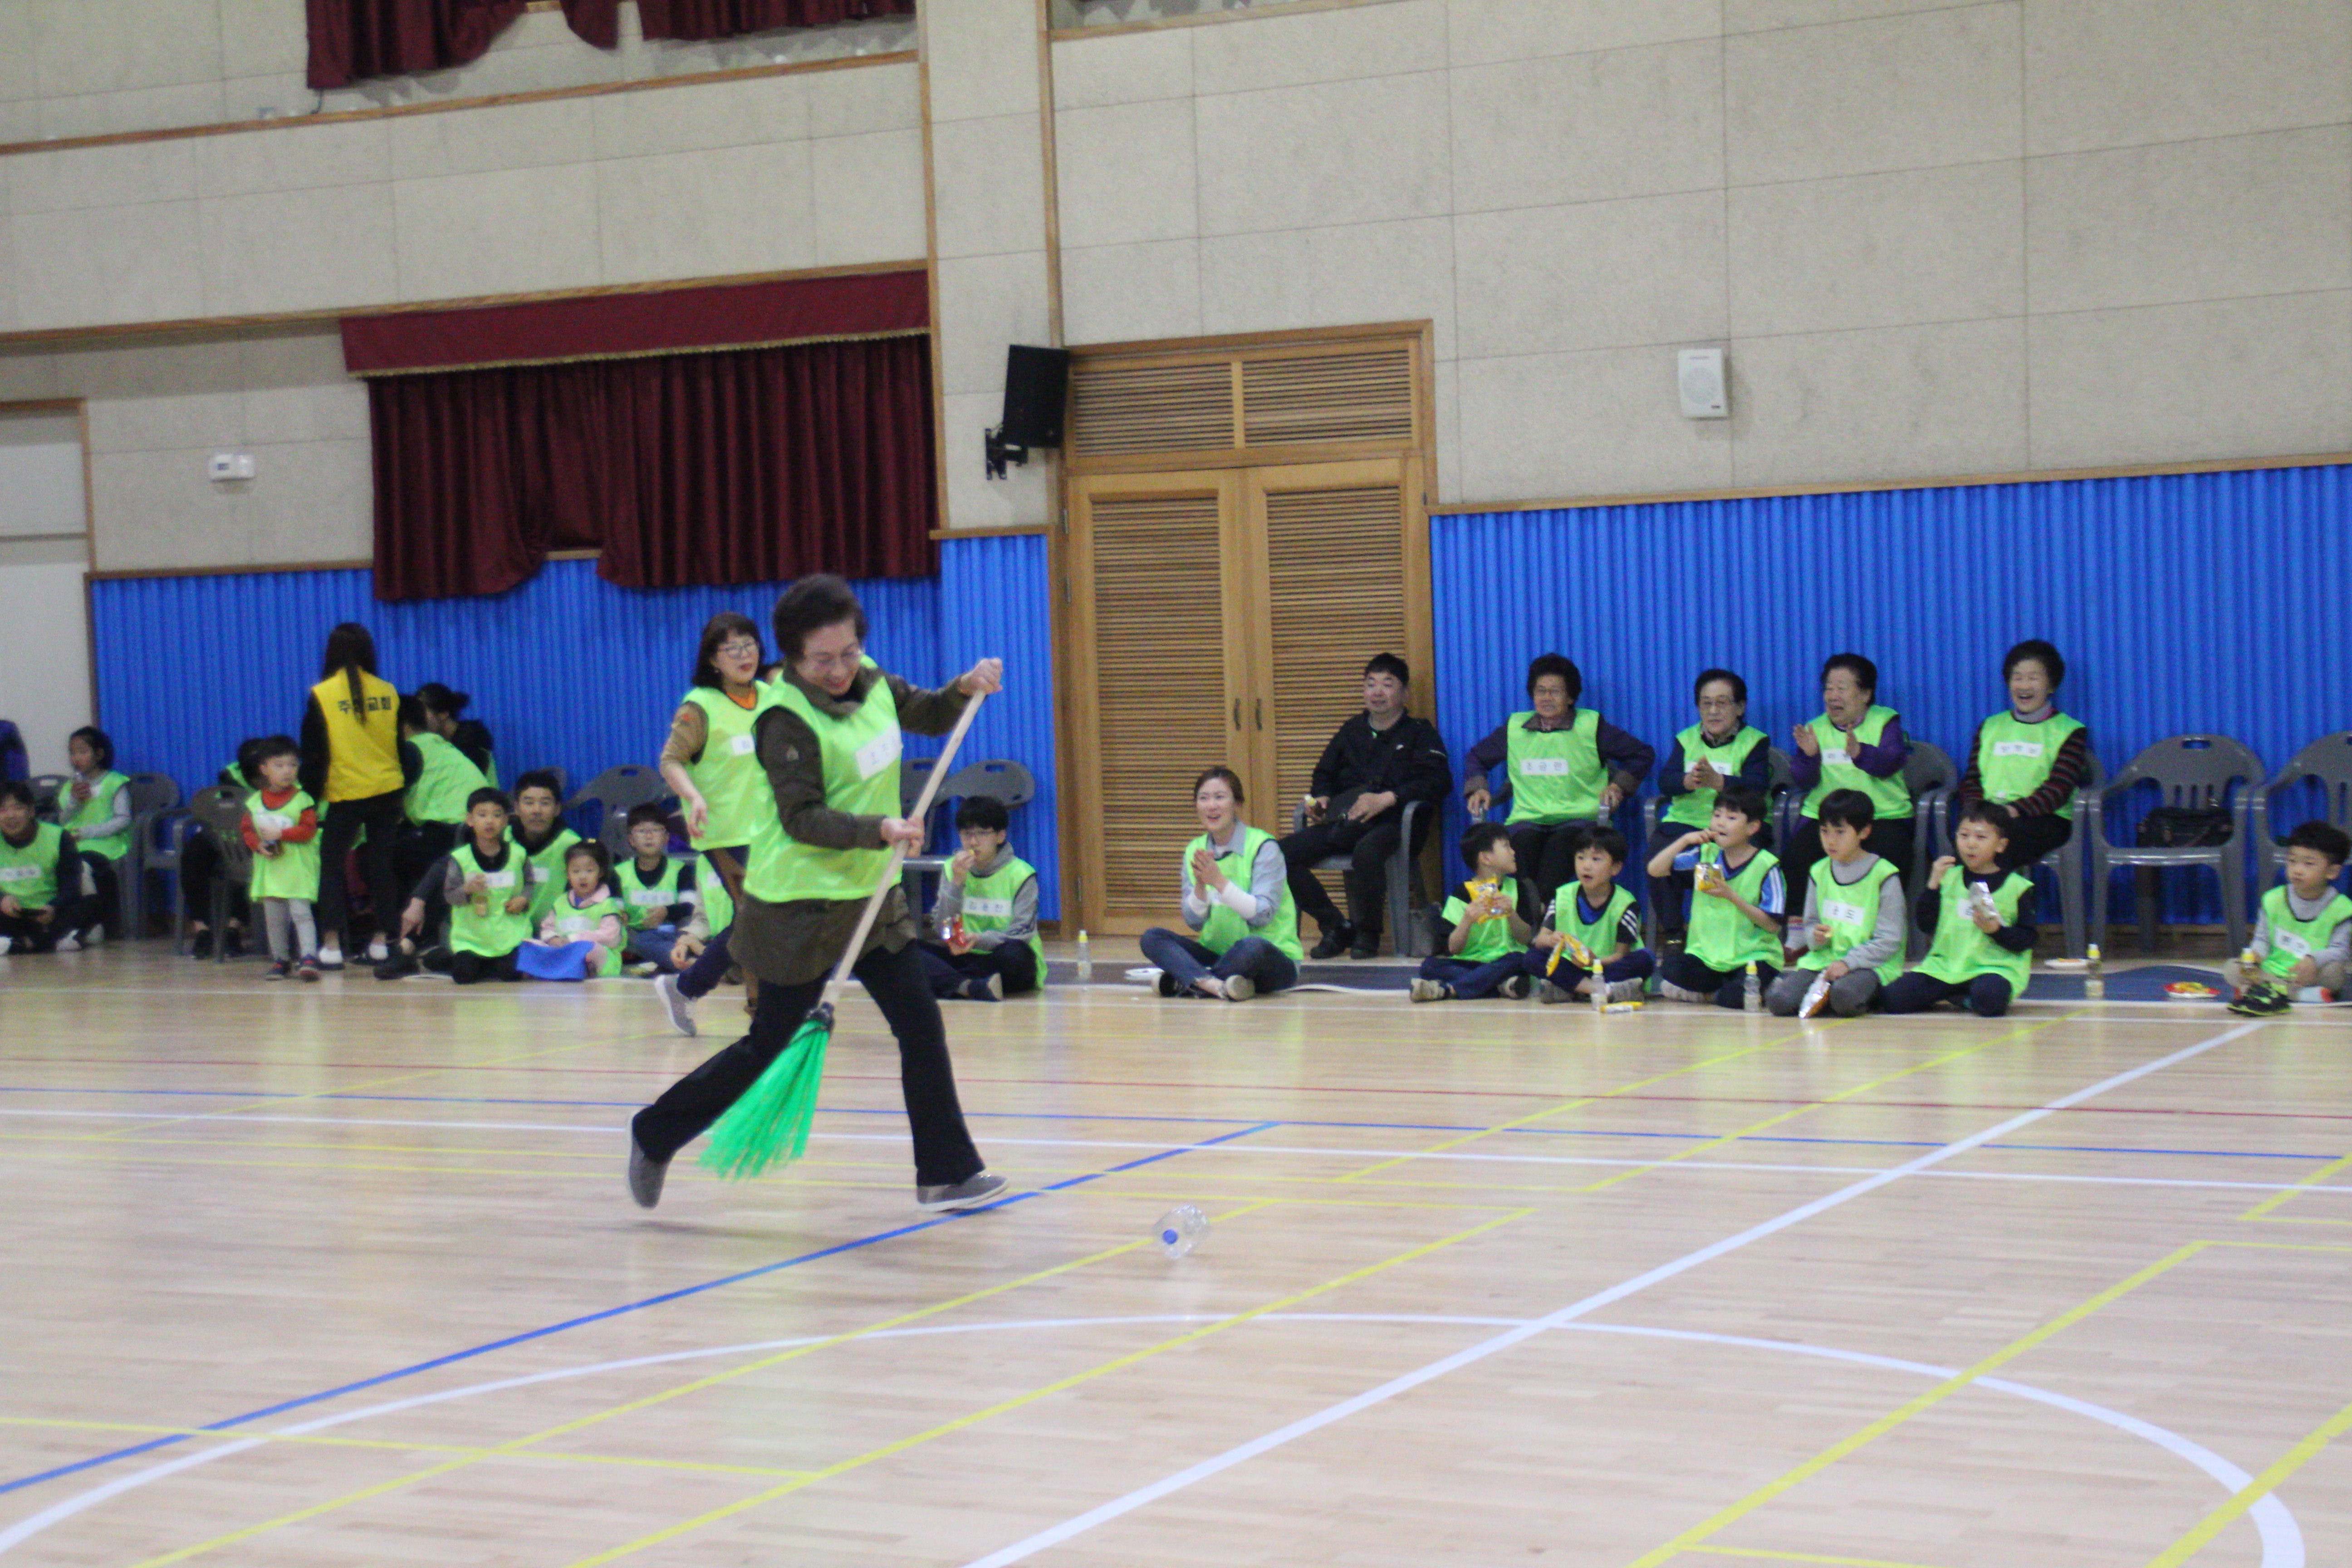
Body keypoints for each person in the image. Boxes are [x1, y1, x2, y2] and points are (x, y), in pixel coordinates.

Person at [627, 574, 1005, 1214]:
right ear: (793, 657)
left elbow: (925, 712)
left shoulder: (872, 678)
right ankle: (655, 1133)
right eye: (821, 660)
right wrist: (879, 829)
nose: (838, 669)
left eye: (848, 652)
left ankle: (946, 1173)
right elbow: (802, 817)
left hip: (870, 895)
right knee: (768, 1044)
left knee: (920, 1024)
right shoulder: (785, 720)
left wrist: (964, 688)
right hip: (798, 906)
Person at [1279, 653, 1450, 960]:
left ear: (1404, 694)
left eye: (1388, 684)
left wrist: (1389, 798)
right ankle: (1336, 926)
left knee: (1368, 851)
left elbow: (1438, 781)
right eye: (1371, 684)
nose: (1377, 692)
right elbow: (1324, 774)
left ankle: (1368, 933)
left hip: (1395, 826)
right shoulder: (1352, 731)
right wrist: (1322, 798)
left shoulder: (1420, 733)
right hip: (1347, 823)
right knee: (1277, 855)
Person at [1461, 654, 1655, 922]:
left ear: (1571, 697)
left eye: (1556, 691)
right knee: (1518, 854)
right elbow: (1477, 757)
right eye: (1540, 691)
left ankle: (1538, 924)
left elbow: (1641, 755)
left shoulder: (1591, 726)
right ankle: (1527, 923)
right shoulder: (1515, 728)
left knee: (1557, 854)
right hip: (1527, 819)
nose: (1546, 698)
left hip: (1578, 819)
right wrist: (1479, 788)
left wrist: (1617, 787)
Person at [653, 612, 768, 1036]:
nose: (743, 655)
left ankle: (685, 988)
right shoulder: (699, 706)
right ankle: (760, 1011)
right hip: (725, 832)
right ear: (713, 660)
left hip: (770, 830)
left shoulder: (770, 696)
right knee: (755, 917)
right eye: (731, 649)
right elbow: (671, 761)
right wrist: (694, 796)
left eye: (749, 644)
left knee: (761, 920)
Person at [1141, 766, 1303, 1002]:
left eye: (1220, 797)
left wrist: (1218, 882)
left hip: (1270, 957)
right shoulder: (1194, 850)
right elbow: (1195, 922)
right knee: (1153, 938)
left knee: (1252, 947)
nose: (1212, 806)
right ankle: (1216, 986)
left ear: (1237, 804)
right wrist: (1200, 887)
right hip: (1219, 955)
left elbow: (1262, 916)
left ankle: (1189, 982)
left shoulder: (1264, 847)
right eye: (1204, 799)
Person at [301, 622, 407, 968]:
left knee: (332, 867)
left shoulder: (322, 694)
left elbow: (314, 753)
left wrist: (310, 797)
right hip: (388, 790)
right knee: (381, 866)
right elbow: (401, 747)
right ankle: (381, 941)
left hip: (346, 792)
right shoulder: (388, 691)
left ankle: (332, 946)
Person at [1882, 802, 2036, 1018]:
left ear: (2001, 845)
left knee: (1990, 1000)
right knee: (1893, 998)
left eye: (1981, 837)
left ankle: (1964, 998)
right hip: (1945, 968)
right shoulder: (1948, 878)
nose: (1970, 844)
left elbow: (2027, 939)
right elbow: (1926, 924)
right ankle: (1956, 994)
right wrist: (1933, 885)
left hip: (1992, 969)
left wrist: (1997, 931)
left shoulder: (2017, 887)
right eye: (1964, 836)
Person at [1649, 670, 1770, 943]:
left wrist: (1720, 782)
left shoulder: (1755, 741)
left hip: (1736, 827)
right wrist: (1687, 781)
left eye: (1722, 703)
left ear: (1740, 707)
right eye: (1706, 704)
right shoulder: (1686, 739)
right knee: (1658, 858)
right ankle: (1674, 936)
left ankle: (1729, 935)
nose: (1714, 711)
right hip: (1685, 824)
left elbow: (1757, 788)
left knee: (1720, 861)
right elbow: (1666, 782)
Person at [1783, 653, 1912, 907]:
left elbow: (1891, 762)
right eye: (1828, 688)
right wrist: (1810, 758)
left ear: (1865, 694)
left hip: (1882, 817)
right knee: (1796, 859)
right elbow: (1803, 781)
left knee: (1889, 861)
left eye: (1842, 688)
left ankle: (1878, 926)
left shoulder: (1885, 721)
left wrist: (1860, 753)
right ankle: (1799, 926)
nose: (1832, 696)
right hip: (1826, 819)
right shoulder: (1815, 728)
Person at [1952, 639, 2092, 870]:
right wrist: (1977, 810)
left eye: (2033, 678)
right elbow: (1972, 779)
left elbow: (2058, 789)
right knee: (1966, 843)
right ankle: (1967, 894)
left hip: (2042, 819)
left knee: (1997, 846)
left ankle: (1993, 894)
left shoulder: (2070, 731)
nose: (2024, 686)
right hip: (1988, 816)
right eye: (2017, 678)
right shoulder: (1990, 726)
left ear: (2051, 685)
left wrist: (2013, 811)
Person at [1766, 789, 1904, 1018]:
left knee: (1845, 998)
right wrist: (1815, 937)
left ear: (1864, 832)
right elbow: (1811, 925)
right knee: (1779, 1001)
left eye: (1840, 832)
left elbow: (1889, 940)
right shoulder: (1819, 871)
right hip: (1824, 961)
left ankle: (1857, 994)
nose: (1830, 840)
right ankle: (1822, 994)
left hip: (1869, 964)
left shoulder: (1884, 875)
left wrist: (1849, 963)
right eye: (1824, 831)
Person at [1649, 784, 1786, 1008]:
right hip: (1708, 957)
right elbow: (1656, 870)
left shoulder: (1767, 866)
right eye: (1717, 815)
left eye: (1731, 818)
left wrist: (1732, 896)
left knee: (1735, 996)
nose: (1720, 823)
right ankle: (1727, 992)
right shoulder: (1705, 854)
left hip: (1753, 956)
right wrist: (1684, 841)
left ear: (1752, 827)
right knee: (1672, 969)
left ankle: (1729, 992)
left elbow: (1772, 926)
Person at [918, 796, 1044, 1003]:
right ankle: (971, 987)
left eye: (982, 833)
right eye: (967, 834)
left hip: (1000, 956)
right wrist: (957, 883)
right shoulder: (952, 869)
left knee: (1017, 957)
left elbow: (1021, 934)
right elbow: (942, 930)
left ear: (1000, 836)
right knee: (907, 951)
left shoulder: (1021, 874)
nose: (973, 842)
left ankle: (952, 983)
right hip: (962, 956)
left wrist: (979, 939)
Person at [2228, 821, 2351, 1015]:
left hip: (2309, 975)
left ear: (2332, 872)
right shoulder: (2273, 899)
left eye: (2308, 864)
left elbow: (2340, 951)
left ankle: (2264, 991)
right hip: (2272, 970)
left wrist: (2313, 960)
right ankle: (2299, 995)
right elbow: (2262, 940)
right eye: (2292, 861)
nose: (2297, 870)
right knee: (2232, 969)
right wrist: (2256, 956)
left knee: (2334, 973)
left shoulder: (2342, 908)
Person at [395, 694, 489, 946]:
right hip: (478, 829)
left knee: (381, 858)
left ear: (401, 725)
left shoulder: (409, 750)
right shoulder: (439, 745)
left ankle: (404, 936)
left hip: (455, 831)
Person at [1409, 823, 1533, 1002]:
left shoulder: (1518, 888)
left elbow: (1526, 938)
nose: (1513, 852)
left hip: (1506, 960)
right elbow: (1453, 949)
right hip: (1472, 962)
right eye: (1506, 847)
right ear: (1486, 858)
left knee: (1519, 960)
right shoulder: (1461, 894)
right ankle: (1499, 986)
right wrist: (1467, 921)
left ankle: (1448, 990)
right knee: (1429, 966)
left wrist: (1511, 913)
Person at [1531, 825, 1651, 1005]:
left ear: (1616, 868)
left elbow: (1620, 955)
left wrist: (1594, 962)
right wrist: (1550, 940)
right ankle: (1603, 991)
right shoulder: (1563, 896)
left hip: (1605, 967)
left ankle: (1571, 988)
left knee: (1645, 959)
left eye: (1596, 859)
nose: (1586, 866)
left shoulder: (1626, 904)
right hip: (1572, 966)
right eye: (1580, 858)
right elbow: (1540, 940)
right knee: (1533, 958)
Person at [240, 736, 323, 982]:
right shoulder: (254, 803)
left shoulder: (303, 800)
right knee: (274, 918)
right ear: (264, 769)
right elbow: (248, 830)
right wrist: (257, 845)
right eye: (279, 766)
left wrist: (281, 834)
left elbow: (308, 830)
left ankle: (308, 957)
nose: (287, 771)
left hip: (297, 870)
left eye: (293, 765)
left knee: (302, 914)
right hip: (271, 871)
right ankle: (280, 959)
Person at [431, 787, 533, 985]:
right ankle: (455, 958)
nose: (490, 821)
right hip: (472, 936)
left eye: (497, 815)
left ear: (506, 820)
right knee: (463, 977)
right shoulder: (460, 858)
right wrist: (467, 890)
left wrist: (523, 898)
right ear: (470, 820)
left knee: (511, 975)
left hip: (508, 934)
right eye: (482, 815)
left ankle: (490, 964)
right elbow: (449, 895)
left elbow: (530, 882)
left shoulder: (519, 854)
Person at [0, 779, 90, 955]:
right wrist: (2, 899)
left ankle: (20, 943)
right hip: (9, 914)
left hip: (50, 912)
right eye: (3, 810)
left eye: (18, 808)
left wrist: (53, 907)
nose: (11, 816)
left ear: (31, 811)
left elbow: (71, 886)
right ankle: (47, 941)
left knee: (90, 905)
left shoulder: (58, 837)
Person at [59, 726, 130, 943]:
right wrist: (74, 801)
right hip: (74, 844)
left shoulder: (115, 782)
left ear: (99, 754)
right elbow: (63, 821)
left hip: (106, 844)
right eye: (72, 752)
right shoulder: (71, 787)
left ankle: (95, 923)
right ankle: (69, 923)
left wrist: (88, 832)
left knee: (82, 867)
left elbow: (123, 819)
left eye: (83, 752)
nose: (76, 758)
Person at [182, 750, 255, 960]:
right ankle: (202, 930)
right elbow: (222, 811)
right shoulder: (230, 776)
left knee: (241, 863)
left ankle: (234, 930)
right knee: (193, 856)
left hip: (257, 839)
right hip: (222, 833)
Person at [524, 840, 628, 981]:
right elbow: (547, 927)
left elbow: (611, 938)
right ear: (568, 874)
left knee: (589, 949)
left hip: (598, 956)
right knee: (529, 945)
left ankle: (577, 970)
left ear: (601, 873)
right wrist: (553, 938)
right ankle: (558, 970)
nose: (582, 877)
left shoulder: (607, 904)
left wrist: (573, 940)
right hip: (563, 950)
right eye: (576, 871)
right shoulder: (561, 902)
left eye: (589, 871)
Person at [613, 803, 698, 973]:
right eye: (642, 831)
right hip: (636, 937)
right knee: (625, 936)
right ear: (631, 840)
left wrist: (667, 912)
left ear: (666, 838)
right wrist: (620, 916)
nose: (649, 836)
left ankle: (672, 959)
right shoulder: (619, 873)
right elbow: (613, 910)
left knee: (688, 931)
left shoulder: (681, 870)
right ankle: (681, 962)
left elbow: (690, 907)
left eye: (656, 830)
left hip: (672, 934)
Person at [509, 770, 582, 929]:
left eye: (545, 803)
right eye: (529, 803)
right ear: (517, 808)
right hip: (507, 929)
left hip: (554, 932)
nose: (537, 811)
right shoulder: (502, 839)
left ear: (557, 809)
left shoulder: (571, 845)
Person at [416, 682, 497, 783]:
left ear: (443, 714)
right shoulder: (436, 744)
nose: (418, 719)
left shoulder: (473, 745)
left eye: (422, 713)